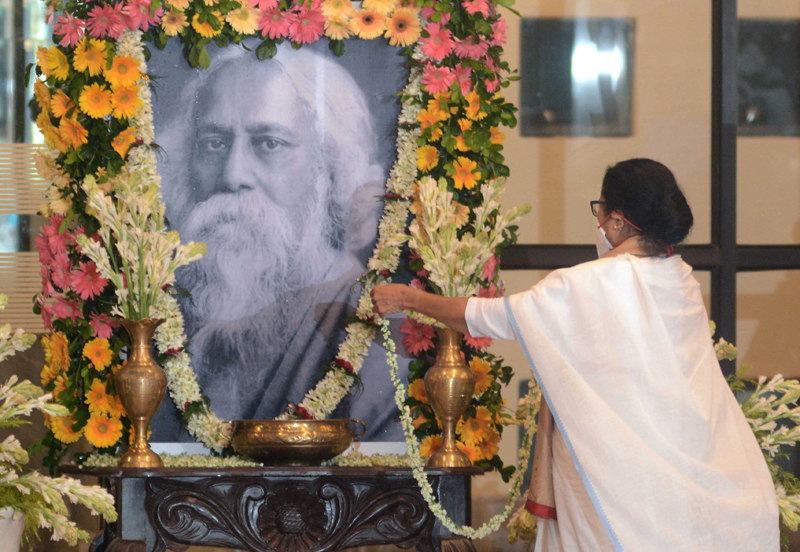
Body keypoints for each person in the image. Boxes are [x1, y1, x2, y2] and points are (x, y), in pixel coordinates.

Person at [371, 159, 779, 551]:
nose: (598, 222)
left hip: (619, 491)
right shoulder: (681, 279)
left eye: (600, 210)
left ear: (617, 220)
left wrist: (410, 298)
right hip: (705, 487)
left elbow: (489, 317)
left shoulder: (591, 283)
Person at [151, 43, 402, 440]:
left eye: (269, 143)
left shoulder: (372, 330)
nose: (233, 175)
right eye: (214, 143)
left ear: (329, 166)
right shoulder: (159, 311)